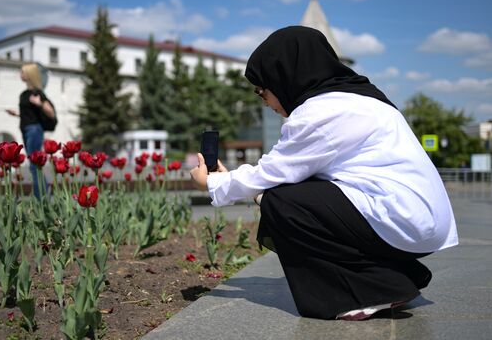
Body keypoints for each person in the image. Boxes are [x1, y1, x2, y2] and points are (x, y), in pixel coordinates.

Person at [190, 26, 458, 321]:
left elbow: (273, 173)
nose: (265, 102)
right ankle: (392, 280)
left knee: (282, 202)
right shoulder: (358, 97)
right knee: (284, 195)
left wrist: (212, 182)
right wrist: (242, 187)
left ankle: (367, 294)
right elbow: (285, 176)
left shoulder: (321, 111)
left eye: (261, 91)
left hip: (401, 216)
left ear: (284, 77)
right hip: (413, 215)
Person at [6, 63, 55, 198]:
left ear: (29, 74)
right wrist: (16, 114)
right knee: (34, 164)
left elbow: (50, 113)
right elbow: (29, 115)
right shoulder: (24, 94)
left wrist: (39, 103)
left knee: (34, 164)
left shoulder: (37, 93)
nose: (20, 74)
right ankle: (43, 194)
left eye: (22, 72)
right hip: (26, 129)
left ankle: (43, 196)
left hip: (34, 130)